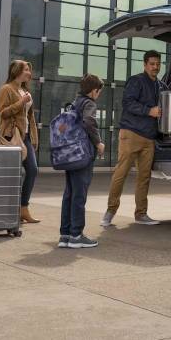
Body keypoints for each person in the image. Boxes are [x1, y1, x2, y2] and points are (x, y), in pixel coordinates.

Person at [101, 50, 166, 227]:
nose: (155, 67)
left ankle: (141, 214)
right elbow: (128, 103)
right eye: (152, 64)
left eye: (158, 64)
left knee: (144, 177)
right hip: (131, 134)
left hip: (149, 138)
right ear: (145, 65)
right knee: (121, 173)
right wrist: (148, 111)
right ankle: (110, 212)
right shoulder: (136, 81)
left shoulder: (161, 86)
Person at [59, 74, 106, 249]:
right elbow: (89, 121)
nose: (99, 94)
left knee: (69, 193)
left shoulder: (75, 102)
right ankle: (77, 235)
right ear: (94, 90)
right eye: (99, 91)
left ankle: (65, 235)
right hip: (82, 154)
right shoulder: (89, 103)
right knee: (80, 194)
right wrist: (98, 142)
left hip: (70, 153)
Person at [0, 60, 40, 224]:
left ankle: (23, 208)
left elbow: (31, 118)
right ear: (17, 71)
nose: (29, 72)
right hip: (11, 136)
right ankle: (12, 209)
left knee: (32, 170)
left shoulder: (25, 90)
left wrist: (34, 138)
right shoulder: (6, 89)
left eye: (29, 69)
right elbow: (3, 113)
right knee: (12, 174)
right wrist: (20, 103)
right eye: (27, 69)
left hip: (25, 136)